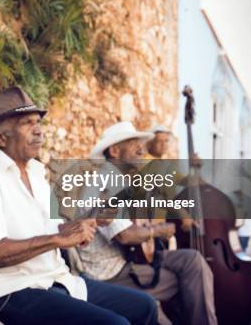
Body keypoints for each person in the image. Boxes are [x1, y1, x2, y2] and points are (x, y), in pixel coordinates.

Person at [0, 87, 158, 325]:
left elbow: (58, 232)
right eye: (26, 123)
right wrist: (56, 240)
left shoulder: (37, 175)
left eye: (38, 122)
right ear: (1, 138)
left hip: (58, 280)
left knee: (144, 306)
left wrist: (85, 222)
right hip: (10, 291)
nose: (38, 130)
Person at [77, 122, 217, 325]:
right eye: (134, 143)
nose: (141, 148)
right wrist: (158, 231)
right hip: (111, 272)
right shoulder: (106, 180)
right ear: (115, 150)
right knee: (190, 279)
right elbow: (125, 236)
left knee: (192, 260)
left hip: (130, 259)